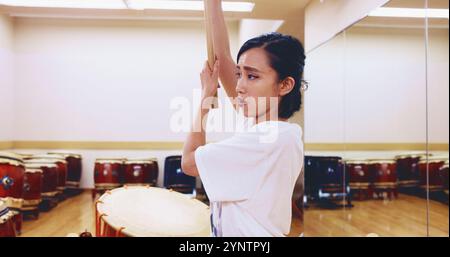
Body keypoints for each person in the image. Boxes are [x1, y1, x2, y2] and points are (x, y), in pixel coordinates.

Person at [181, 0, 305, 237]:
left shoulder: (271, 139)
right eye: (240, 74)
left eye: (252, 76)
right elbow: (222, 58)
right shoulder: (267, 127)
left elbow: (188, 162)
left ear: (285, 85)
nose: (239, 86)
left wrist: (206, 98)